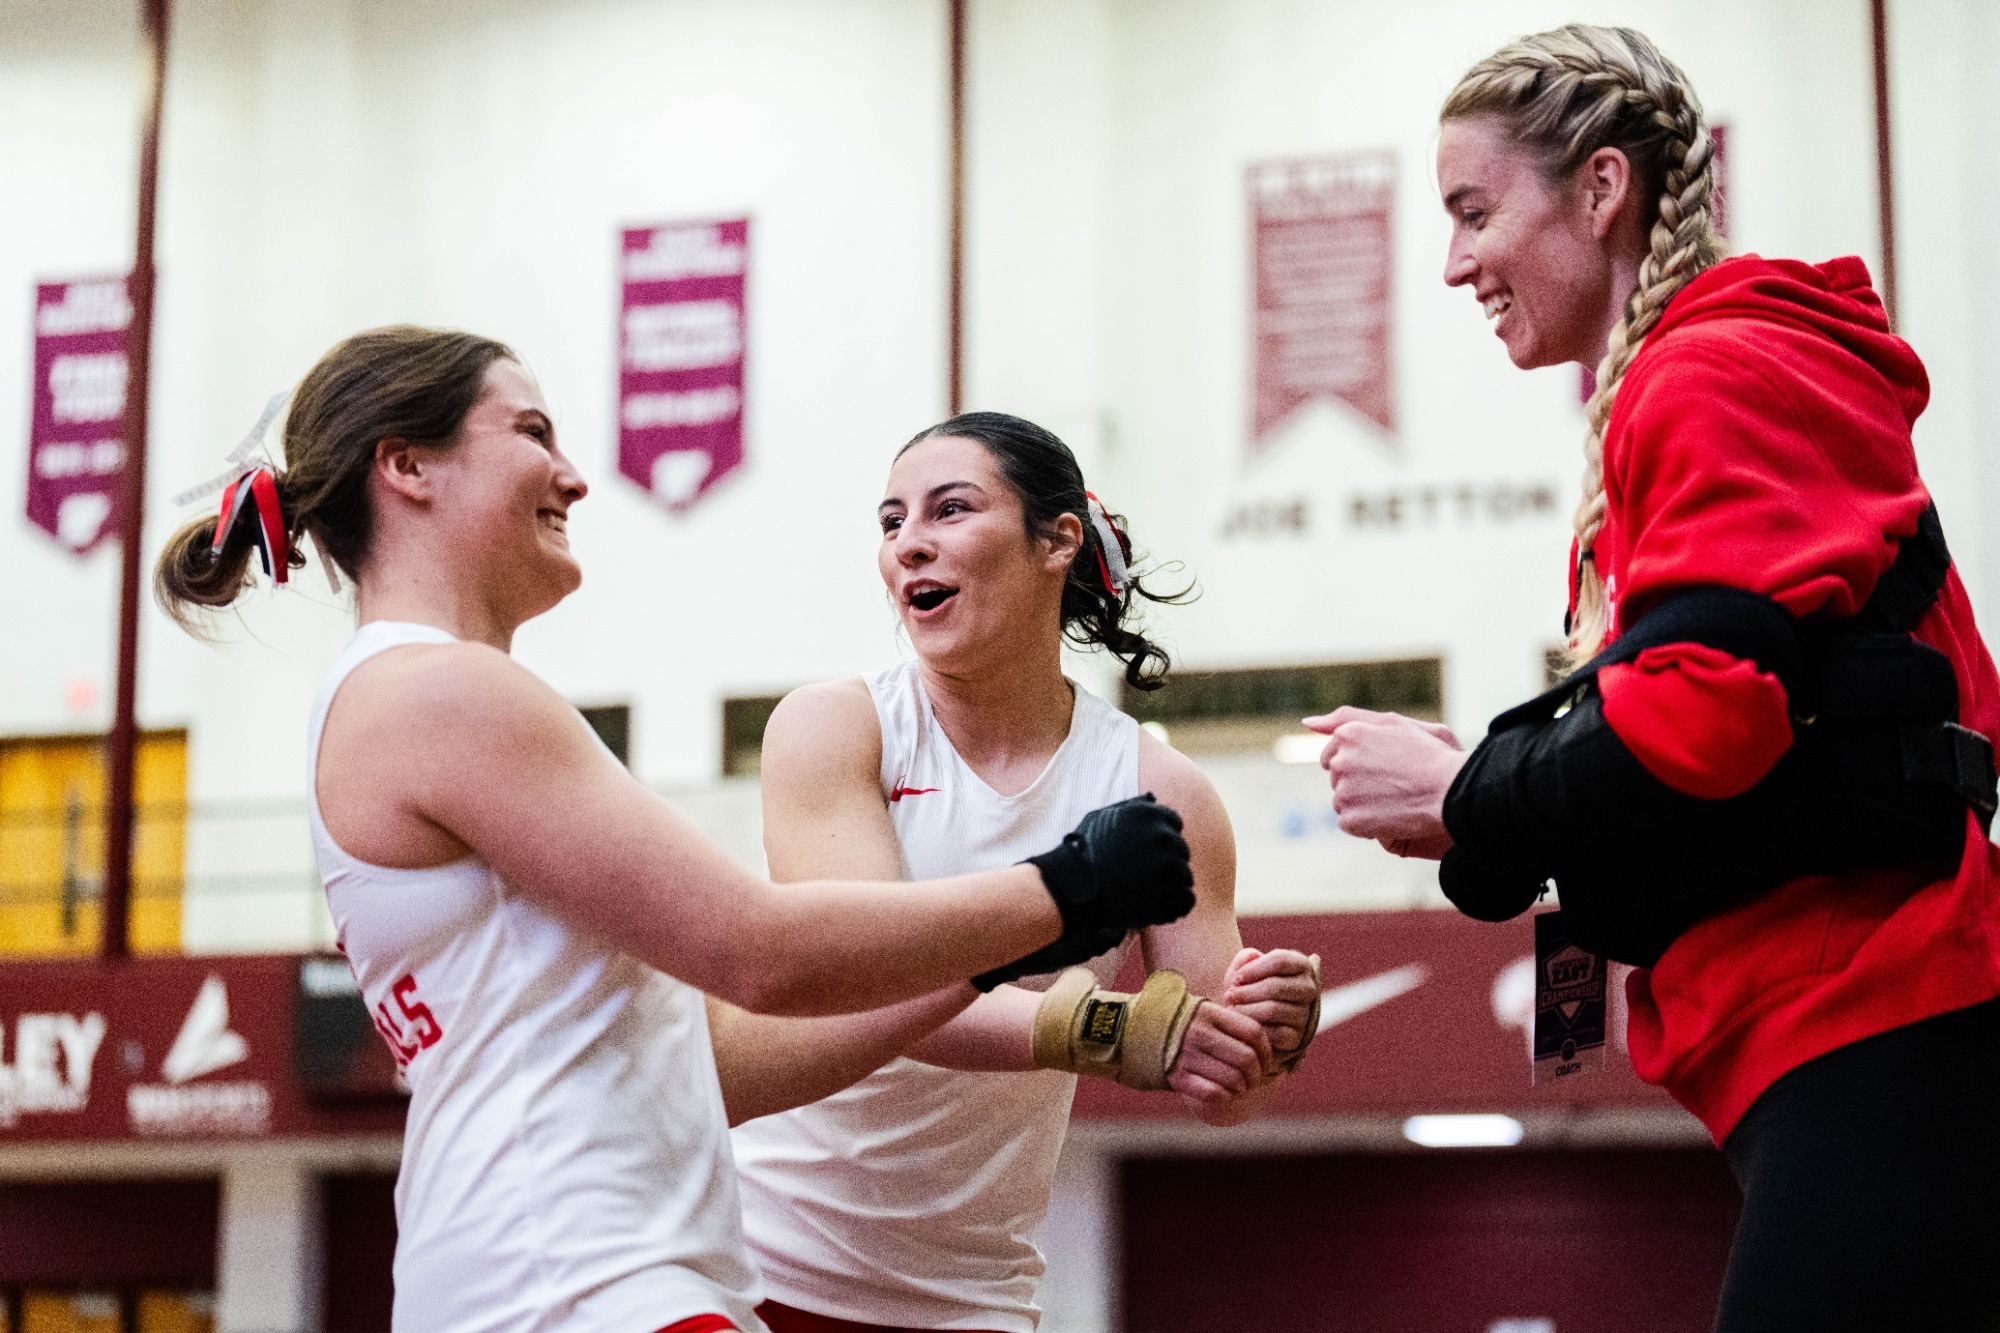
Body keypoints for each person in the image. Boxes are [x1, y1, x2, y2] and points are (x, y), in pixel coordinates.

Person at [153, 330, 1200, 1333]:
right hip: (565, 1275)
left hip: (581, 1272)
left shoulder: (424, 693)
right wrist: (1066, 889)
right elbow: (759, 949)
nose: (573, 475)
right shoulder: (442, 692)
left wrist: (1037, 957)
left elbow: (725, 1056)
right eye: (532, 433)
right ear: (408, 467)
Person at [1311, 24, 2000, 1331]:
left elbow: (1703, 715)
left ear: (1601, 189)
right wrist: (1490, 800)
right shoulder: (1692, 378)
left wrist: (1472, 787)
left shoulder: (1716, 364)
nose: (1453, 263)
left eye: (1472, 212)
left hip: (1881, 1005)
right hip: (1840, 1029)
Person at [728, 412, 1325, 1333]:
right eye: (891, 523)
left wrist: (1267, 1038)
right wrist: (1105, 1027)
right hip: (755, 1263)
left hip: (979, 1296)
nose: (909, 544)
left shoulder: (1160, 786)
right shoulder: (833, 726)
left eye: (949, 509)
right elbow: (863, 981)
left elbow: (1219, 1085)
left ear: (1058, 542)